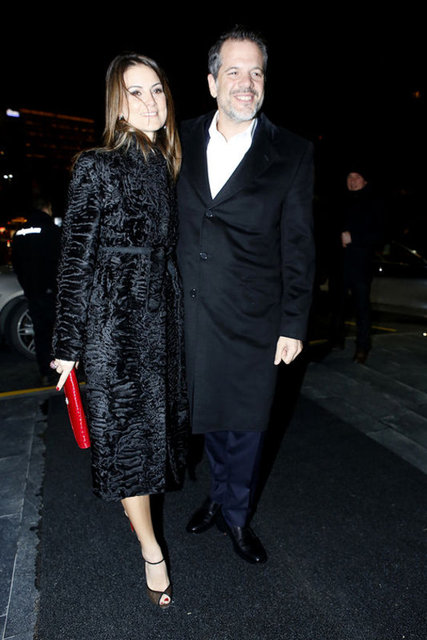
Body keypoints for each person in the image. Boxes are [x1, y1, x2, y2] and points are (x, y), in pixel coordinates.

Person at [51, 53, 188, 608]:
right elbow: (75, 258)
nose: (151, 102)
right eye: (137, 92)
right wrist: (67, 346)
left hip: (161, 321)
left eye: (157, 90)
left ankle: (141, 517)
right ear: (118, 102)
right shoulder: (97, 165)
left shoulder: (166, 165)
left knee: (154, 440)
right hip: (115, 325)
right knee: (131, 445)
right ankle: (152, 551)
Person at [176, 27, 315, 564]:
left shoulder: (292, 152)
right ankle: (217, 494)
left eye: (256, 72)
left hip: (257, 317)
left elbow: (298, 245)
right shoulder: (178, 139)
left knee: (248, 423)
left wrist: (293, 322)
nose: (246, 83)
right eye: (233, 71)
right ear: (212, 82)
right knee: (209, 415)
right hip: (191, 312)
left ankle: (235, 514)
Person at [329, 168, 384, 363]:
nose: (352, 181)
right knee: (337, 305)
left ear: (365, 181)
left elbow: (380, 235)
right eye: (349, 177)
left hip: (361, 264)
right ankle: (336, 339)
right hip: (339, 263)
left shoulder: (374, 203)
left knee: (362, 307)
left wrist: (355, 238)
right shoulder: (340, 201)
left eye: (357, 177)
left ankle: (362, 347)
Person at [11, 197, 61, 385]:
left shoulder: (20, 232)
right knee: (57, 331)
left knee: (41, 333)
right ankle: (62, 370)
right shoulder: (52, 230)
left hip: (33, 291)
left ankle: (46, 371)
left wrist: (27, 285)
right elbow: (61, 260)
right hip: (52, 290)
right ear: (47, 208)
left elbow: (16, 263)